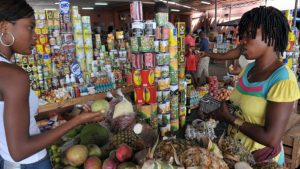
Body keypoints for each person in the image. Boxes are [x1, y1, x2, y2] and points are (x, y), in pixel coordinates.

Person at [0, 1, 103, 168]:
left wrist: (59, 116)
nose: (35, 36)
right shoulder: (14, 76)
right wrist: (77, 121)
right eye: (30, 27)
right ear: (4, 27)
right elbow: (19, 151)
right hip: (31, 163)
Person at [202, 6, 300, 165]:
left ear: (272, 36)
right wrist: (216, 110)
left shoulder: (283, 80)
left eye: (250, 34)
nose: (243, 40)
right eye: (243, 34)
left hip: (261, 162)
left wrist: (230, 118)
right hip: (235, 155)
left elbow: (271, 138)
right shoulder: (248, 70)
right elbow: (239, 107)